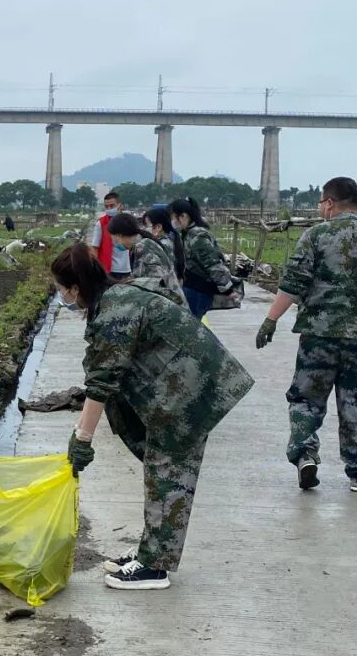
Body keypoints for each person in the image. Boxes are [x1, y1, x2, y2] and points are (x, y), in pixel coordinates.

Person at [54, 243, 253, 590]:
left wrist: (82, 437)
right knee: (161, 469)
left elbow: (102, 380)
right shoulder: (116, 297)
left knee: (168, 473)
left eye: (60, 288)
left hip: (187, 390)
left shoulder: (116, 310)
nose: (61, 295)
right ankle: (151, 551)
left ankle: (154, 568)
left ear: (74, 288)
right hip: (184, 382)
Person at [255, 177, 357, 492]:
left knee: (306, 400)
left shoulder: (316, 236)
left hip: (318, 338)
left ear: (330, 203)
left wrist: (271, 320)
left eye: (321, 202)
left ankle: (305, 454)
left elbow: (294, 283)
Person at [169, 197, 237, 318]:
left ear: (183, 216)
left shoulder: (197, 236)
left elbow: (213, 263)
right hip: (192, 288)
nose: (173, 221)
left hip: (198, 291)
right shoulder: (187, 233)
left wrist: (227, 288)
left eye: (174, 217)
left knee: (191, 328)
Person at [107, 212, 185, 303]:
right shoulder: (137, 248)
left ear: (120, 235)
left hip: (172, 305)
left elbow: (158, 284)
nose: (114, 243)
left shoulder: (144, 247)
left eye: (114, 239)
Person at [89, 191, 131, 279]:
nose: (109, 208)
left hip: (126, 269)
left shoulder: (128, 222)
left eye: (112, 206)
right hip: (108, 271)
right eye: (106, 206)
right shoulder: (101, 223)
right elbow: (95, 248)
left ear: (119, 205)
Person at [143, 206, 185, 281]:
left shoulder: (162, 245)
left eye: (146, 225)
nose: (143, 229)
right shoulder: (171, 238)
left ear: (158, 227)